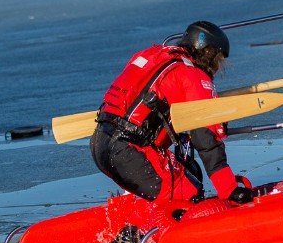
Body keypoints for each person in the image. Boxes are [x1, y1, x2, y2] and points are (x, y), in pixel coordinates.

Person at [90, 21, 253, 205]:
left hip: (100, 142)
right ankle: (172, 219)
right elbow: (206, 137)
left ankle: (141, 217)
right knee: (190, 195)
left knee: (182, 179)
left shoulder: (152, 56)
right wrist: (229, 189)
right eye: (219, 60)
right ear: (208, 52)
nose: (218, 68)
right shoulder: (192, 75)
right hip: (130, 152)